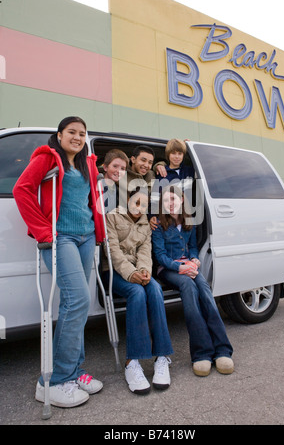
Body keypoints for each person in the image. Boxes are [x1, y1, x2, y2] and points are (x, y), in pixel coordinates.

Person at [13, 116, 104, 408]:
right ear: (60, 134)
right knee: (77, 300)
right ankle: (52, 382)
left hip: (86, 237)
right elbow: (22, 189)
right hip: (60, 237)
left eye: (82, 133)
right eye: (72, 132)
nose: (77, 137)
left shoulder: (86, 164)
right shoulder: (47, 157)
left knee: (78, 303)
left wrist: (98, 232)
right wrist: (42, 230)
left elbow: (92, 202)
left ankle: (74, 373)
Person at [151, 185, 234, 377]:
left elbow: (193, 247)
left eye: (173, 199)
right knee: (188, 286)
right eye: (165, 201)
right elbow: (160, 256)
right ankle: (201, 353)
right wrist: (180, 267)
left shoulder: (190, 222)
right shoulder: (158, 225)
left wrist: (195, 260)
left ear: (182, 200)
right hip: (169, 269)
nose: (170, 204)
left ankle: (222, 350)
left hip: (188, 265)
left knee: (204, 288)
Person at [102, 187, 173, 394]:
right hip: (115, 272)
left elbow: (145, 252)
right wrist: (130, 273)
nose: (139, 207)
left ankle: (161, 357)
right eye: (136, 202)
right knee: (136, 292)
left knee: (155, 289)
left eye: (143, 204)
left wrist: (144, 271)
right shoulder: (112, 217)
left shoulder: (146, 224)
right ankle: (132, 362)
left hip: (137, 271)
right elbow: (112, 251)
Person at [99, 149, 129, 213]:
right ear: (105, 167)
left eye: (122, 168)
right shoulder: (97, 185)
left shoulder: (118, 190)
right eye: (115, 166)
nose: (119, 171)